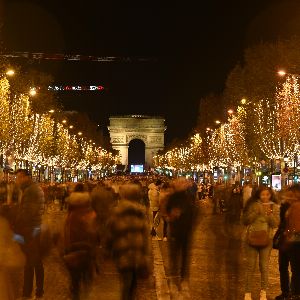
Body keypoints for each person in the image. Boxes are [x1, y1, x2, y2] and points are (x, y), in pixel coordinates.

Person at [106, 184, 150, 300]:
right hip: (137, 254)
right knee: (133, 284)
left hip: (122, 252)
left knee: (126, 283)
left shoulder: (116, 212)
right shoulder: (141, 213)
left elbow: (109, 233)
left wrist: (108, 249)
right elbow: (145, 236)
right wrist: (146, 255)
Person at [243, 187, 279, 300]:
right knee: (250, 266)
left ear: (270, 195)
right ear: (258, 195)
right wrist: (255, 213)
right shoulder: (252, 205)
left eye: (267, 195)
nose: (264, 197)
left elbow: (275, 223)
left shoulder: (274, 206)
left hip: (266, 240)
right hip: (251, 238)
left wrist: (269, 214)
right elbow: (245, 220)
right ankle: (247, 293)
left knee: (264, 267)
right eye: (262, 194)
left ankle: (263, 292)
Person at [63, 183, 98, 300]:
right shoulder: (91, 213)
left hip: (72, 249)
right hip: (87, 249)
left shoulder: (70, 216)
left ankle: (75, 294)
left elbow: (66, 233)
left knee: (74, 280)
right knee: (86, 278)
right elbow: (94, 232)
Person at [163, 178, 197, 296]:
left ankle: (183, 281)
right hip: (175, 231)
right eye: (181, 183)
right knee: (174, 259)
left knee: (184, 259)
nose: (183, 184)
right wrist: (171, 216)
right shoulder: (172, 198)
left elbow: (194, 213)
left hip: (186, 232)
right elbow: (166, 212)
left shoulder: (188, 197)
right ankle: (174, 281)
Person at [14, 169, 45, 300]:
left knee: (30, 261)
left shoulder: (31, 191)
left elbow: (28, 212)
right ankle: (38, 290)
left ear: (26, 177)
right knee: (35, 260)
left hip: (31, 229)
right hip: (35, 227)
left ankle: (27, 292)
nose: (17, 181)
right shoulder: (32, 189)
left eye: (19, 177)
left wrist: (15, 225)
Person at [283, 184, 300, 299]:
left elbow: (296, 227)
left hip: (295, 241)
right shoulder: (292, 205)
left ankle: (296, 293)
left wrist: (288, 233)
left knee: (296, 268)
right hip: (294, 240)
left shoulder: (296, 206)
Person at [274, 194, 291, 300]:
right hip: (285, 239)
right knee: (283, 267)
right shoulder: (284, 206)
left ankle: (293, 292)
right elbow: (281, 223)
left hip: (295, 241)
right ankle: (285, 292)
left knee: (295, 268)